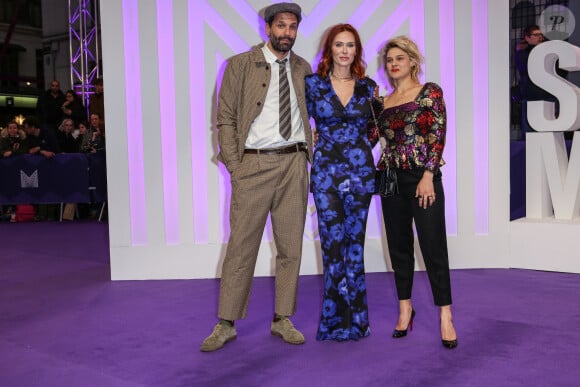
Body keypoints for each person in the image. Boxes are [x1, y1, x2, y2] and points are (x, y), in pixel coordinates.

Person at [200, 2, 313, 352]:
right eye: (281, 26)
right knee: (241, 247)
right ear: (268, 28)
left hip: (294, 165)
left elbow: (311, 115)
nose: (287, 33)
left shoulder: (303, 68)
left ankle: (283, 318)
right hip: (254, 165)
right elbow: (226, 118)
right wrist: (236, 166)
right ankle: (226, 322)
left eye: (293, 27)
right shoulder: (239, 65)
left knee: (290, 247)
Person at [376, 36, 458, 349]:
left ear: (412, 61)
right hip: (391, 179)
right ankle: (404, 308)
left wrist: (428, 174)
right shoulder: (382, 103)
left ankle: (446, 314)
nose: (393, 64)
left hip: (422, 177)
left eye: (399, 58)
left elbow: (438, 133)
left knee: (433, 245)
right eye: (389, 60)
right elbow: (369, 136)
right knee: (398, 247)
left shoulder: (429, 92)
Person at [305, 24, 380, 341]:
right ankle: (334, 322)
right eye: (339, 44)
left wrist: (358, 150)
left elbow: (376, 130)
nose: (345, 50)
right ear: (330, 50)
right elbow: (299, 123)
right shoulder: (313, 85)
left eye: (351, 45)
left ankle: (358, 321)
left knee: (354, 248)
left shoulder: (368, 87)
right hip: (326, 178)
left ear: (357, 51)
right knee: (333, 248)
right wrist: (316, 144)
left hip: (361, 176)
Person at [515, 25, 567, 135]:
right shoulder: (523, 52)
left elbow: (560, 70)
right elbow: (525, 68)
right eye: (536, 35)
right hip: (531, 97)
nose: (540, 37)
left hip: (548, 95)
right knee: (530, 133)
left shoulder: (548, 52)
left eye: (541, 34)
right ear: (527, 38)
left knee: (549, 132)